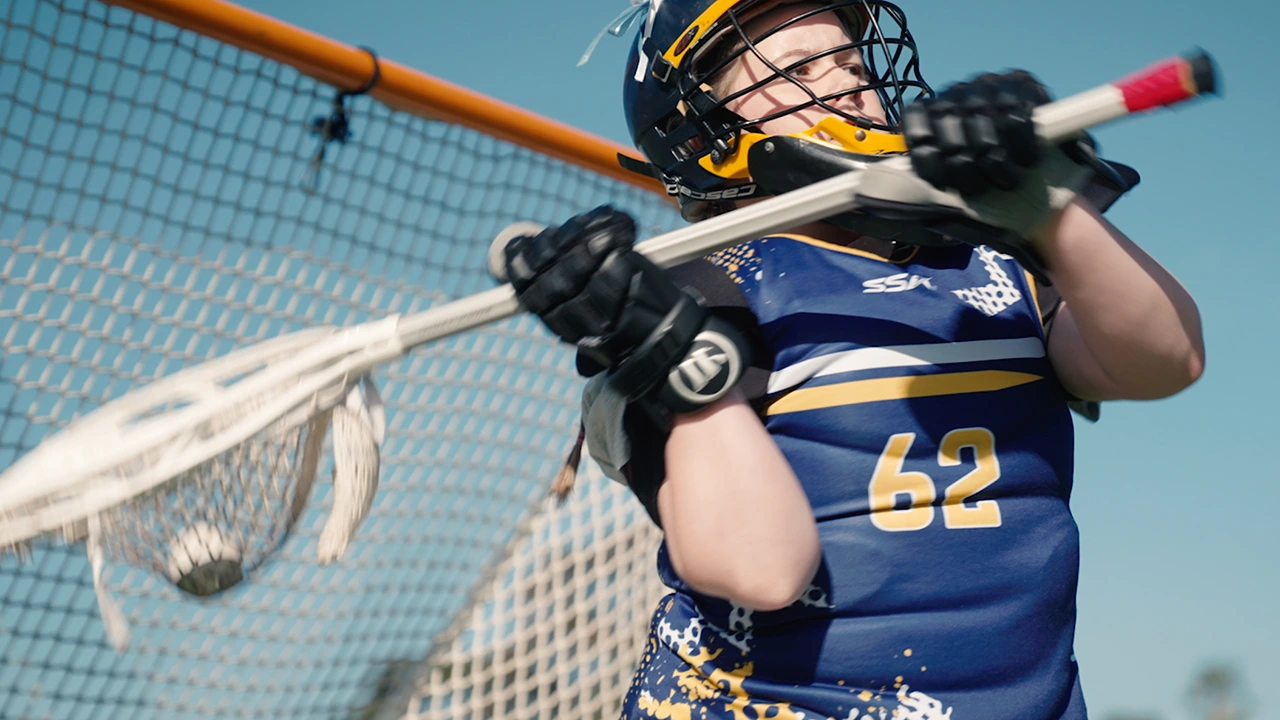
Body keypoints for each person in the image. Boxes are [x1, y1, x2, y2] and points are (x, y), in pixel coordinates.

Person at [503, 1, 1206, 717]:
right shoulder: (703, 288)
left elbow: (1164, 360)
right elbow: (760, 569)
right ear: (701, 124)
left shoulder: (988, 256)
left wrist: (1048, 207)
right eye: (799, 67)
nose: (843, 81)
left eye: (848, 61)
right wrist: (670, 357)